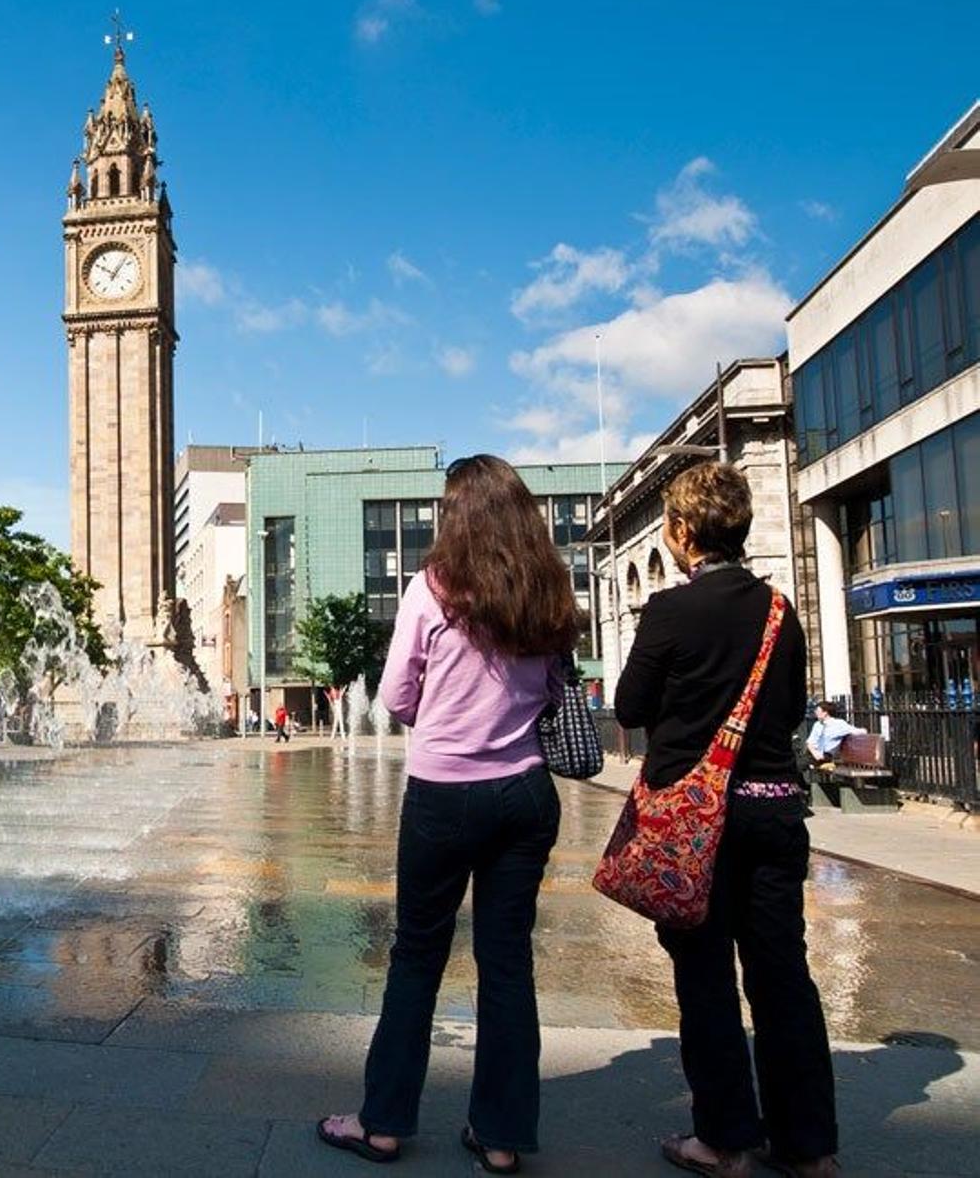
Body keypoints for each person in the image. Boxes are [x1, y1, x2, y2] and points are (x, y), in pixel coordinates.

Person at [317, 454, 578, 1174]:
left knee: (417, 956)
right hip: (525, 793)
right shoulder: (545, 590)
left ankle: (383, 1124)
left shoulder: (431, 590)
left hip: (444, 794)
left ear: (455, 515)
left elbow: (398, 697)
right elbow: (555, 688)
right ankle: (500, 1138)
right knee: (506, 964)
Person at [615, 462, 838, 1178]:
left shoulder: (671, 612)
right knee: (783, 978)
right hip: (775, 813)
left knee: (705, 978)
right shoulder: (780, 611)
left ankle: (724, 1138)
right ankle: (808, 1148)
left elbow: (630, 707)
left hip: (694, 821)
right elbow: (794, 707)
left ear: (681, 532)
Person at [804, 700, 863, 769]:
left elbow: (856, 731)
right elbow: (810, 742)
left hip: (827, 756)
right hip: (813, 754)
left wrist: (862, 731)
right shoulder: (817, 725)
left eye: (817, 710)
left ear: (825, 713)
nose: (815, 712)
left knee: (797, 764)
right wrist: (814, 752)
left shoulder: (838, 724)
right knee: (797, 762)